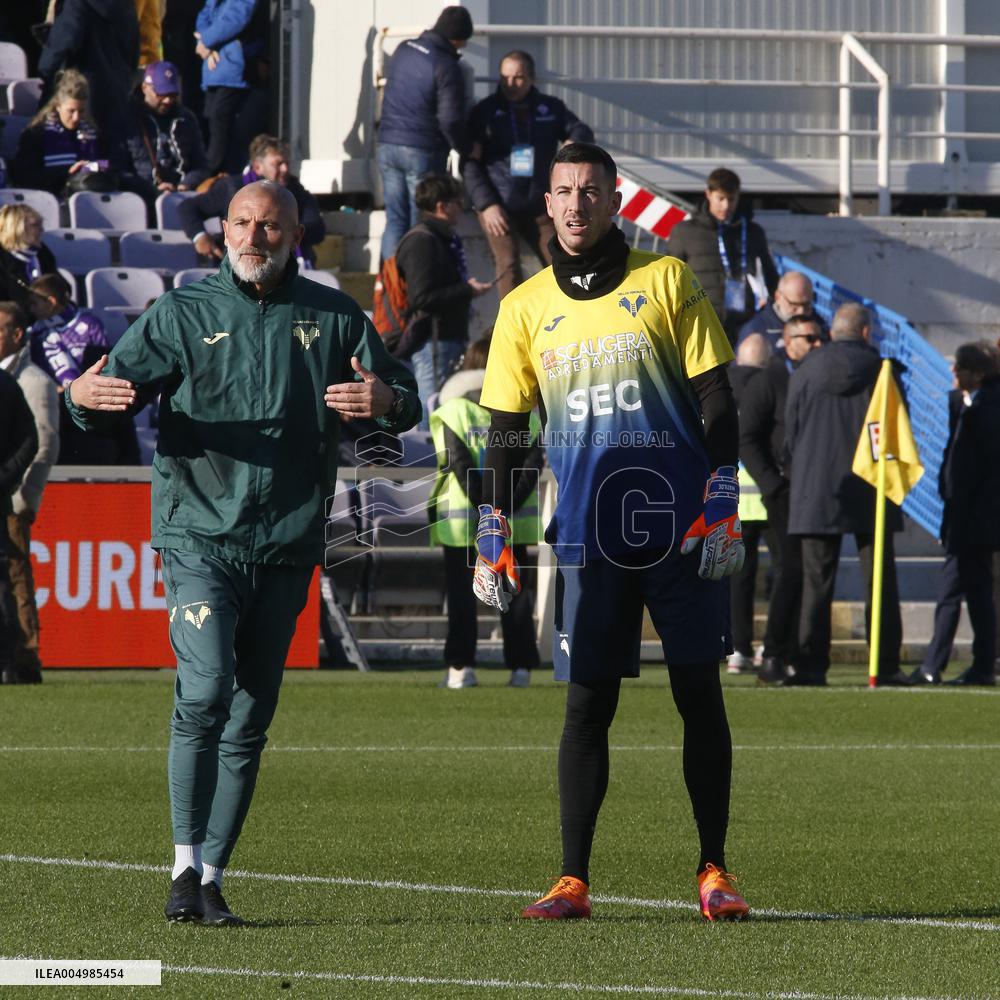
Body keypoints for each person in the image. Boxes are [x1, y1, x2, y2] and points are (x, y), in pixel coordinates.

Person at [65, 179, 421, 925]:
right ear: (223, 230)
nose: (255, 236)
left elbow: (400, 399)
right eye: (243, 223)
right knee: (204, 692)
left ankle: (213, 878)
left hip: (288, 540)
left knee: (252, 713)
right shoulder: (183, 313)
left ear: (296, 235)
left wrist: (387, 402)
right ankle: (182, 863)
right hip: (199, 533)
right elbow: (108, 393)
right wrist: (80, 402)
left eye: (270, 225)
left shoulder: (333, 316)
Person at [474, 142, 749, 923]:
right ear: (548, 204)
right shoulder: (523, 307)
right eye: (563, 191)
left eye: (590, 191)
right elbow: (504, 431)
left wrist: (722, 500)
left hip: (682, 529)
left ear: (613, 201)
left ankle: (714, 870)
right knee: (587, 707)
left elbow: (717, 399)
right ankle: (572, 881)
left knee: (699, 694)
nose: (575, 204)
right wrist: (492, 527)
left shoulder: (663, 279)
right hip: (590, 536)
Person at [785, 303, 908, 687]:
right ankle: (884, 664)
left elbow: (791, 428)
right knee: (880, 580)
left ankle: (809, 665)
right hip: (872, 484)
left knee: (816, 582)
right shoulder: (883, 372)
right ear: (867, 332)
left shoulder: (809, 368)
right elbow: (898, 428)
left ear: (833, 332)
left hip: (818, 488)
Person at [429, 334, 543, 689]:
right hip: (512, 523)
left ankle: (461, 668)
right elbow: (530, 470)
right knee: (515, 595)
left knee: (462, 598)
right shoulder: (530, 415)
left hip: (462, 524)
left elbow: (459, 466)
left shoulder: (451, 412)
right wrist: (501, 513)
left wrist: (484, 516)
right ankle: (521, 668)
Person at [462, 49, 593, 301]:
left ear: (531, 78)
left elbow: (581, 129)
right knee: (509, 264)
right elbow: (469, 165)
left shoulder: (549, 107)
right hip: (500, 205)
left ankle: (568, 316)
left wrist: (574, 140)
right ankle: (512, 330)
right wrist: (486, 204)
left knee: (562, 260)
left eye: (518, 77)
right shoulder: (485, 111)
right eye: (505, 78)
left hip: (540, 206)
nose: (511, 84)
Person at [911, 341, 1000, 686]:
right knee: (975, 593)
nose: (953, 373)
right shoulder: (961, 404)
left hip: (975, 518)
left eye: (960, 367)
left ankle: (935, 665)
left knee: (955, 591)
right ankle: (977, 665)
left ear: (976, 374)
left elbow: (976, 469)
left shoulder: (988, 409)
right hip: (962, 516)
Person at [740, 314, 822, 684]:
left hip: (815, 489)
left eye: (820, 337)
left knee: (805, 572)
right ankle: (772, 655)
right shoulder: (770, 380)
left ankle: (795, 654)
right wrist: (772, 484)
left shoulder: (818, 377)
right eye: (809, 337)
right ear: (788, 342)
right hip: (784, 491)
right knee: (790, 570)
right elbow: (747, 437)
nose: (817, 344)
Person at [376, 5, 473, 262]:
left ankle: (389, 286)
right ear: (457, 39)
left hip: (387, 144)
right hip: (421, 148)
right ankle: (412, 284)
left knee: (395, 219)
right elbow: (450, 119)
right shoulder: (446, 64)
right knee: (420, 221)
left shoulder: (404, 49)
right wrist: (465, 148)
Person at [394, 173, 491, 426]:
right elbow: (423, 298)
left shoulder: (442, 238)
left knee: (444, 407)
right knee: (432, 409)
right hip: (432, 342)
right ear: (442, 206)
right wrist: (466, 290)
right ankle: (423, 463)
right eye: (458, 201)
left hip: (447, 337)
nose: (462, 207)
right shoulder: (422, 242)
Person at [0, 302, 58, 685]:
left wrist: (23, 496)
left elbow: (43, 442)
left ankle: (25, 656)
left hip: (12, 495)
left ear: (17, 334)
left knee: (16, 576)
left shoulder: (33, 380)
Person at [27, 272, 137, 465]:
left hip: (92, 398)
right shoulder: (35, 333)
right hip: (54, 401)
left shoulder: (88, 324)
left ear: (51, 301)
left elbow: (105, 363)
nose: (32, 309)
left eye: (35, 303)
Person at [666, 166, 778, 347]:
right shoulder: (685, 232)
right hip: (701, 322)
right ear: (708, 194)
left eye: (731, 199)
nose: (726, 206)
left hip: (744, 322)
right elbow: (670, 278)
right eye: (721, 198)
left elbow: (770, 274)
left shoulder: (752, 232)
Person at [178, 133, 326, 266]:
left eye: (287, 163)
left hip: (287, 264)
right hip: (239, 265)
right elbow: (188, 207)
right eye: (278, 164)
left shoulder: (295, 190)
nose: (285, 169)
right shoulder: (232, 188)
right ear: (257, 167)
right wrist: (200, 237)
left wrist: (278, 234)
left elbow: (316, 228)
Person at [725, 332, 771, 674]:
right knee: (785, 572)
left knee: (738, 577)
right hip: (770, 494)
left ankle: (738, 648)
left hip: (732, 495)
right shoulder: (772, 385)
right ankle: (773, 648)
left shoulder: (720, 386)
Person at [37, 0, 139, 149]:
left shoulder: (76, 3)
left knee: (83, 152)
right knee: (112, 153)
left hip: (83, 93)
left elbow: (62, 43)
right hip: (118, 91)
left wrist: (45, 71)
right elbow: (134, 50)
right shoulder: (127, 4)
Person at [11, 69, 115, 197]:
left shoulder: (94, 133)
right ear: (58, 106)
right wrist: (69, 172)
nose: (76, 117)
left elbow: (110, 165)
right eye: (71, 111)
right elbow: (25, 177)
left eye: (81, 111)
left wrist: (89, 168)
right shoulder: (36, 135)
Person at [194, 0, 268, 176]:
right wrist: (206, 44)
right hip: (215, 70)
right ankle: (212, 171)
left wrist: (206, 41)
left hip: (235, 68)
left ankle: (214, 170)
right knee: (211, 118)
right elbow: (204, 15)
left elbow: (236, 19)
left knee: (223, 119)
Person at [125, 60, 211, 206]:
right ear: (145, 87)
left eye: (172, 95)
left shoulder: (187, 119)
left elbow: (201, 165)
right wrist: (152, 189)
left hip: (183, 198)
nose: (167, 100)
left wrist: (185, 185)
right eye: (161, 94)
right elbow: (121, 170)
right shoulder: (129, 118)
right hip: (141, 200)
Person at [0, 367, 38, 687]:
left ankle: (6, 662)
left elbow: (30, 440)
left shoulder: (5, 386)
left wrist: (3, 481)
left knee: (3, 584)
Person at [737, 270, 827, 352]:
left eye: (807, 305)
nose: (801, 312)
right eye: (794, 305)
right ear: (778, 297)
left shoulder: (819, 324)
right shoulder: (756, 331)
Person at [0, 205, 57, 312]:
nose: (42, 230)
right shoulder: (3, 261)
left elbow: (60, 287)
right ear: (16, 228)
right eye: (35, 225)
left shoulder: (43, 254)